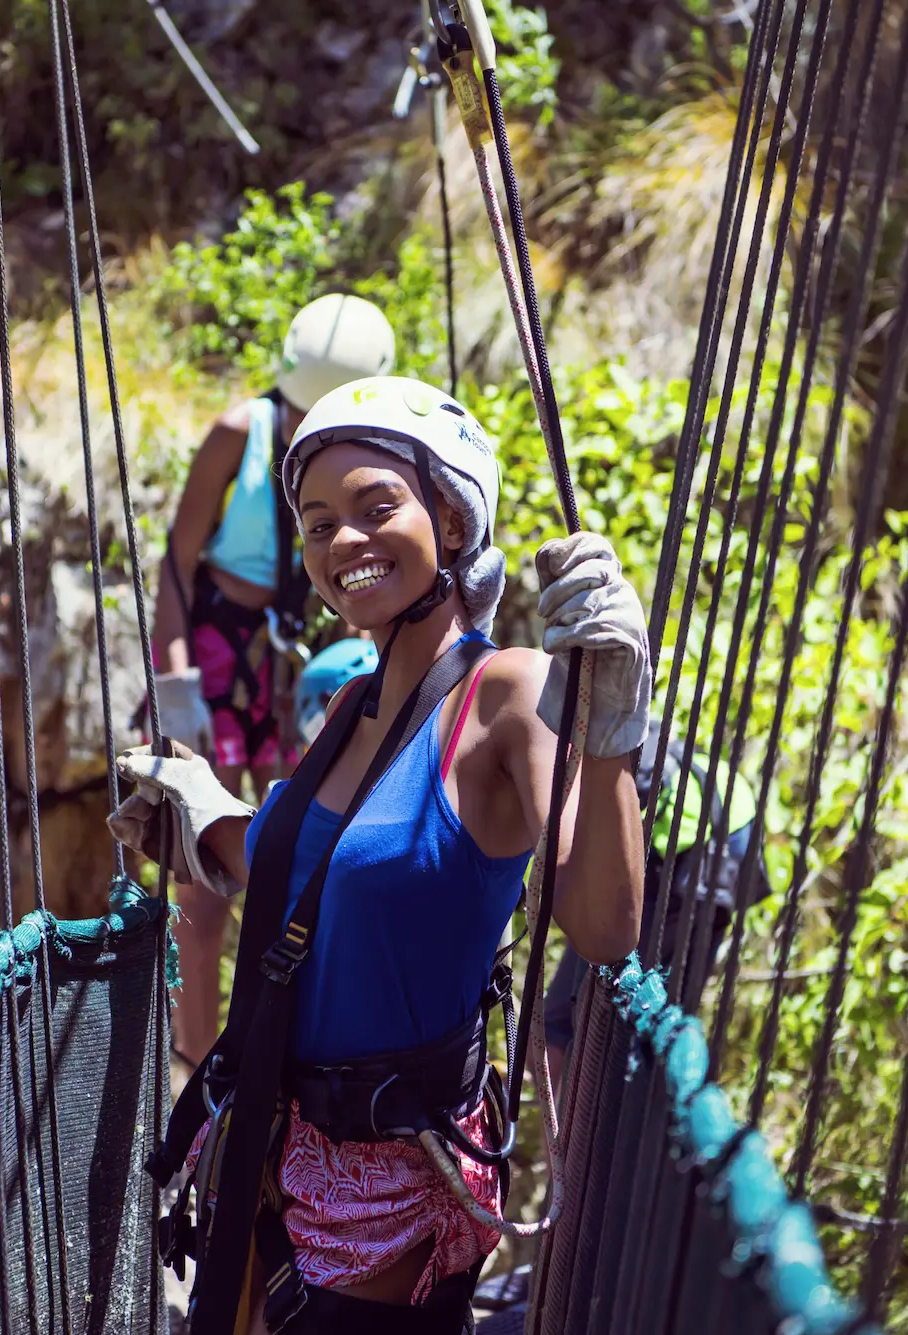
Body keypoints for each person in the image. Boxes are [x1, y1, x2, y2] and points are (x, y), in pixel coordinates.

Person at [112, 376, 651, 1332]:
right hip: (275, 1168)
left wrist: (605, 734)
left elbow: (604, 924)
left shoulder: (506, 696)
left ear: (449, 517)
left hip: (388, 1202)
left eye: (375, 508)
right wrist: (204, 826)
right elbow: (322, 874)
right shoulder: (352, 708)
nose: (342, 544)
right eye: (317, 525)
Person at [151, 293, 398, 1065]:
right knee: (202, 879)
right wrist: (177, 687)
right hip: (218, 659)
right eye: (295, 412)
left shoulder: (361, 453)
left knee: (289, 863)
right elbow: (176, 562)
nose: (301, 429)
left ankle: (271, 1060)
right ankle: (196, 1073)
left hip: (293, 669)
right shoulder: (241, 434)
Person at [542, 739, 764, 1084]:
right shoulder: (711, 772)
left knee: (557, 1027)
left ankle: (563, 1130)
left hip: (670, 882)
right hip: (718, 892)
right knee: (665, 1023)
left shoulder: (620, 764)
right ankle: (642, 1116)